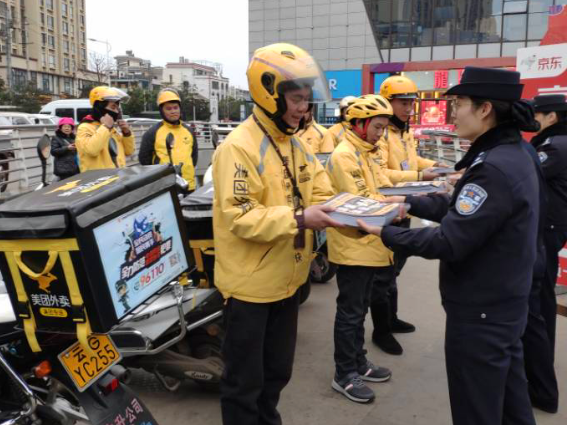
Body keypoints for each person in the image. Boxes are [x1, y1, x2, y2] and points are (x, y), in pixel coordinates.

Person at [358, 67, 540, 425]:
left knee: (477, 406)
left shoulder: (493, 167)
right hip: (505, 300)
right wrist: (409, 205)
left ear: (485, 108)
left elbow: (449, 240)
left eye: (458, 104)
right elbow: (462, 207)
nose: (452, 113)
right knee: (510, 402)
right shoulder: (514, 152)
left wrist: (384, 232)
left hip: (482, 310)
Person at [213, 43, 343, 425]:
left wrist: (354, 209)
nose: (305, 108)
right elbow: (240, 216)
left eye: (307, 99)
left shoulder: (294, 142)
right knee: (243, 383)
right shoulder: (239, 147)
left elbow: (321, 191)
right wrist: (302, 219)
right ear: (269, 94)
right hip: (251, 288)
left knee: (276, 374)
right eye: (298, 99)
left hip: (289, 281)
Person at [326, 95, 395, 403]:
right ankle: (344, 374)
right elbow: (363, 201)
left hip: (371, 245)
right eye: (377, 127)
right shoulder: (345, 156)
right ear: (359, 124)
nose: (381, 133)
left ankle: (359, 362)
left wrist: (416, 186)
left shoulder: (367, 153)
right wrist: (400, 204)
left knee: (360, 308)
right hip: (354, 245)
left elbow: (386, 185)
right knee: (351, 312)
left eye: (383, 128)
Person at [371, 77, 442, 355]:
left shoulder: (403, 133)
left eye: (411, 102)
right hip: (389, 207)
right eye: (403, 102)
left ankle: (391, 317)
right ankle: (381, 329)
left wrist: (435, 165)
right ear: (388, 103)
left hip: (408, 206)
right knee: (382, 274)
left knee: (395, 268)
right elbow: (383, 176)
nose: (409, 108)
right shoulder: (381, 134)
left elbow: (412, 161)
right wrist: (420, 175)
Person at [522, 94, 567, 414]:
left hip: (547, 231)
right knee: (542, 303)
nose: (533, 118)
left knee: (537, 308)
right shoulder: (555, 141)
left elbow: (526, 174)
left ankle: (541, 389)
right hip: (553, 229)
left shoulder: (555, 146)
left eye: (538, 113)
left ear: (551, 116)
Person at [139, 88, 199, 191]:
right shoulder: (153, 132)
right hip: (165, 188)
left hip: (189, 185)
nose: (173, 111)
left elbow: (193, 157)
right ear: (162, 111)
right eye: (168, 108)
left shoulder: (188, 130)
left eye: (175, 108)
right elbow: (144, 160)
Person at [76, 86, 135, 172]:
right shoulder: (85, 127)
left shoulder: (112, 130)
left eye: (117, 108)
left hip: (117, 178)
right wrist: (106, 127)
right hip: (98, 182)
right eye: (113, 107)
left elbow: (129, 152)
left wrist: (127, 133)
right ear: (100, 108)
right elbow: (92, 150)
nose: (116, 112)